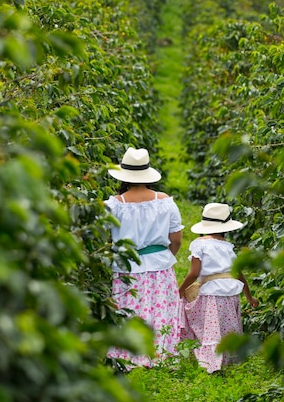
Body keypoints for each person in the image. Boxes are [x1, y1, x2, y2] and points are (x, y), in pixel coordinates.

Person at [105, 147, 183, 369]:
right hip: (159, 265)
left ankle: (129, 355)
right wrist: (165, 257)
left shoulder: (114, 205)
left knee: (130, 309)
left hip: (126, 267)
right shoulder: (165, 201)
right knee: (159, 310)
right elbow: (176, 239)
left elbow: (104, 238)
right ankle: (158, 354)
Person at [178, 202, 259, 373]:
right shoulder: (227, 247)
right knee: (227, 327)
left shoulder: (200, 244)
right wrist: (249, 297)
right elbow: (238, 273)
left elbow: (194, 273)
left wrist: (179, 290)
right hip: (231, 293)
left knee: (211, 328)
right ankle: (229, 360)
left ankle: (212, 363)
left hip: (212, 293)